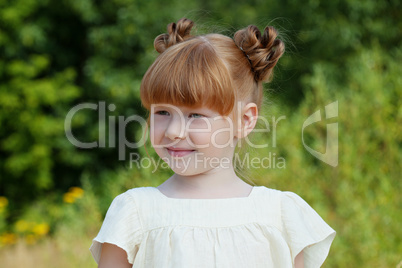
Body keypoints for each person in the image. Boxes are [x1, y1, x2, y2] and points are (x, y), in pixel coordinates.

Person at [90, 18, 336, 268]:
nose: (174, 131)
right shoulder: (136, 213)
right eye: (162, 112)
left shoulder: (279, 216)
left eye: (195, 115)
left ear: (244, 120)